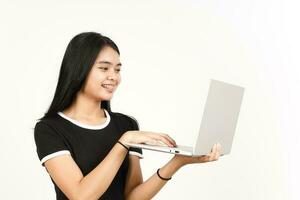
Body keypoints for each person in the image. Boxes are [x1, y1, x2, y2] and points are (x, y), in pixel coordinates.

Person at [33, 31, 222, 200]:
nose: (114, 76)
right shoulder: (50, 129)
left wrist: (177, 162)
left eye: (117, 69)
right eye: (104, 68)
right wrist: (123, 143)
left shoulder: (126, 124)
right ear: (79, 70)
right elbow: (81, 196)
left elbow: (132, 197)